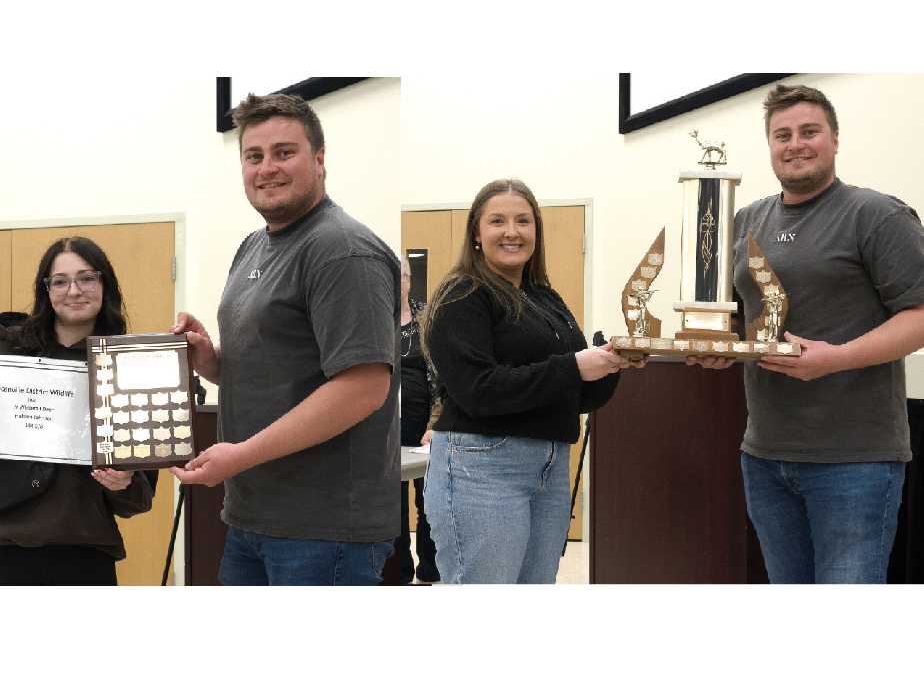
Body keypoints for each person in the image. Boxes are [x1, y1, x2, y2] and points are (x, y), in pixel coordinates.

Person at [689, 84, 924, 583]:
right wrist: (721, 348)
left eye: (809, 131)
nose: (795, 144)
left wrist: (835, 358)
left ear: (835, 139)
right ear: (770, 146)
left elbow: (920, 316)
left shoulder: (877, 215)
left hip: (856, 460)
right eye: (782, 135)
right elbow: (739, 319)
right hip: (765, 455)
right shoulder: (746, 219)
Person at [169, 93, 401, 585]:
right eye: (254, 156)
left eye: (283, 152)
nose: (266, 168)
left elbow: (363, 387)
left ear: (319, 160)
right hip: (256, 515)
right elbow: (282, 367)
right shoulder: (254, 246)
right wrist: (211, 360)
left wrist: (240, 454)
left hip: (325, 529)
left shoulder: (342, 250)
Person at [423, 178, 629, 584]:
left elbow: (573, 395)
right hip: (481, 470)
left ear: (537, 231)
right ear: (477, 233)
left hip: (549, 467)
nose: (512, 232)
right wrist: (573, 367)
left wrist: (609, 366)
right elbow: (479, 391)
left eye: (523, 221)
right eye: (497, 221)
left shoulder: (544, 298)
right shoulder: (464, 295)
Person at [0, 236, 155, 585]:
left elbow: (138, 500)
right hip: (3, 552)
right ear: (46, 290)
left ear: (105, 285)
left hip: (86, 555)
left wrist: (123, 483)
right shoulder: (4, 357)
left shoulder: (125, 370)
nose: (74, 290)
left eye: (87, 278)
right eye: (60, 281)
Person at [396, 256, 440, 584]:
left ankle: (429, 568)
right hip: (386, 433)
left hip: (425, 430)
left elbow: (441, 376)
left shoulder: (427, 318)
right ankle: (398, 568)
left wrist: (435, 424)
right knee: (392, 505)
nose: (398, 282)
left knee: (429, 501)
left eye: (402, 276)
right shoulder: (374, 320)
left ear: (410, 281)